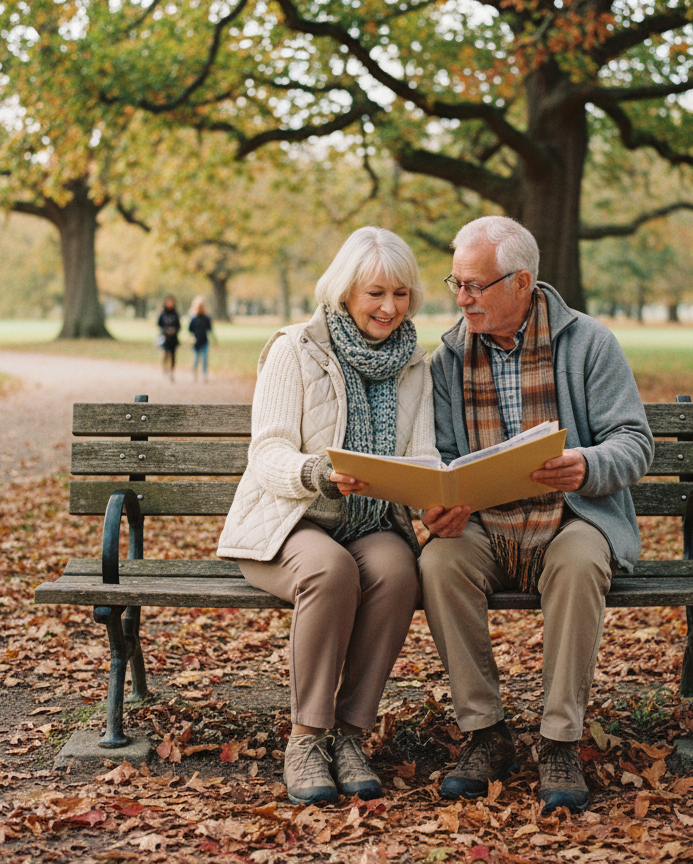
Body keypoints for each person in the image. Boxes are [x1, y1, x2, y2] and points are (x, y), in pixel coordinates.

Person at [419, 216, 654, 814]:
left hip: (568, 518)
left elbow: (634, 440)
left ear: (521, 282)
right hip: (485, 525)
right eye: (457, 284)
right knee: (440, 561)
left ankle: (558, 741)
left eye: (476, 285)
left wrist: (587, 464)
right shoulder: (447, 357)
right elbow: (441, 454)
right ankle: (485, 734)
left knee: (580, 564)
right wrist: (441, 502)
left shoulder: (589, 343)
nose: (462, 298)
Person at [217, 226, 436, 806]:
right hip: (288, 521)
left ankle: (350, 734)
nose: (390, 307)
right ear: (344, 293)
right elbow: (267, 454)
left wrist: (435, 488)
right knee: (331, 570)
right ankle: (308, 737)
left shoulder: (416, 364)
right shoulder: (294, 349)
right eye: (375, 294)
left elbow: (423, 454)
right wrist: (317, 473)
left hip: (369, 522)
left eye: (401, 293)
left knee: (398, 572)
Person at [188, 297, 215, 381]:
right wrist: (192, 337)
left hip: (204, 341)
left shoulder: (206, 318)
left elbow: (210, 329)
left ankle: (204, 373)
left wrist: (214, 339)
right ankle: (194, 373)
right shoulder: (193, 318)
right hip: (196, 341)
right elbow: (190, 330)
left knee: (204, 358)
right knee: (196, 358)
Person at [157, 296, 181, 380]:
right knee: (165, 353)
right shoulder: (163, 314)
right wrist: (165, 330)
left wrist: (174, 330)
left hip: (173, 338)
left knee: (173, 355)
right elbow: (159, 324)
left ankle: (172, 371)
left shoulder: (175, 314)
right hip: (165, 337)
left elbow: (178, 326)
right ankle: (165, 368)